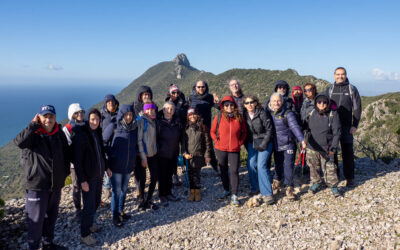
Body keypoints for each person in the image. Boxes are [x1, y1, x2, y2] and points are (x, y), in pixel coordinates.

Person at [14, 105, 70, 250]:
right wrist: (33, 124)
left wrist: (64, 174)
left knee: (51, 218)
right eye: (45, 116)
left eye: (51, 116)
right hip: (37, 186)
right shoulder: (34, 134)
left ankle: (48, 245)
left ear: (55, 118)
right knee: (36, 221)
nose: (48, 120)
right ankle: (32, 247)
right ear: (39, 117)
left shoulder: (59, 133)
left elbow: (66, 154)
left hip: (55, 185)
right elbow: (19, 142)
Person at [72, 108, 112, 246]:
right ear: (87, 120)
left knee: (95, 203)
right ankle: (85, 234)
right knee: (88, 207)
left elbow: (101, 153)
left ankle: (89, 225)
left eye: (97, 119)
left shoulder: (97, 133)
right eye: (92, 119)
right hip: (88, 178)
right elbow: (77, 161)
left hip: (99, 175)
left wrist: (106, 167)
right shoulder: (81, 135)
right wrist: (82, 180)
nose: (95, 122)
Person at [325, 67, 362, 187]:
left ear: (346, 75)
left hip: (346, 126)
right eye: (338, 74)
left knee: (348, 153)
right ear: (334, 75)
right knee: (332, 152)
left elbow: (357, 108)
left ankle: (349, 178)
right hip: (333, 127)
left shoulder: (351, 89)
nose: (340, 76)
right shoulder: (330, 89)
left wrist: (355, 125)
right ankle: (335, 175)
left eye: (342, 74)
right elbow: (324, 107)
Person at [103, 104, 137, 227]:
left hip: (128, 166)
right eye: (126, 114)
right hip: (115, 166)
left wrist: (134, 154)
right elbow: (103, 143)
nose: (128, 117)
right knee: (116, 192)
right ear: (121, 115)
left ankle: (121, 211)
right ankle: (115, 216)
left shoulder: (134, 128)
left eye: (130, 114)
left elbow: (135, 145)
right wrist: (113, 155)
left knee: (124, 190)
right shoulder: (113, 127)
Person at [267, 93, 306, 200]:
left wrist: (301, 139)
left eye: (278, 100)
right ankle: (277, 182)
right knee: (277, 164)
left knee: (288, 165)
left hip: (289, 144)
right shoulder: (268, 113)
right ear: (270, 102)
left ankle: (289, 188)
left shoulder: (288, 114)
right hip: (276, 145)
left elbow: (294, 127)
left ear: (282, 102)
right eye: (274, 101)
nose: (276, 103)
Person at [210, 96, 247, 207]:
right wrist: (217, 141)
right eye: (226, 105)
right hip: (221, 148)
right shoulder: (219, 117)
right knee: (223, 169)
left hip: (234, 149)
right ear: (223, 106)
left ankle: (234, 194)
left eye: (231, 105)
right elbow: (212, 131)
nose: (229, 107)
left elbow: (244, 132)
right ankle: (226, 190)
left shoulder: (239, 117)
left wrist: (240, 142)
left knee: (234, 171)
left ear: (234, 106)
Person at [305, 93, 341, 197]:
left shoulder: (333, 114)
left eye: (324, 102)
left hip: (327, 148)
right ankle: (316, 182)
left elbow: (337, 132)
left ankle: (333, 186)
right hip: (312, 147)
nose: (322, 104)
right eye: (319, 102)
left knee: (330, 168)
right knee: (313, 167)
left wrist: (333, 147)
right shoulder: (311, 113)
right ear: (316, 103)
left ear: (328, 103)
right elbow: (306, 127)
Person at [243, 95, 275, 205]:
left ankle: (267, 193)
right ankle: (255, 188)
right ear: (244, 105)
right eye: (247, 103)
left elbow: (269, 130)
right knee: (251, 164)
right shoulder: (244, 115)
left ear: (256, 103)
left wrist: (264, 144)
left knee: (261, 165)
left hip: (265, 141)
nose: (249, 105)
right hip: (252, 143)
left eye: (251, 102)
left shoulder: (262, 113)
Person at [188, 80, 220, 172]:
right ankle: (195, 169)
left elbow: (219, 108)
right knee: (196, 146)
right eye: (199, 87)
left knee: (209, 146)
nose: (201, 88)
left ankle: (215, 167)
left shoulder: (210, 97)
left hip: (206, 126)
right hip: (194, 127)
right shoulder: (191, 97)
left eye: (203, 87)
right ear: (195, 87)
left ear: (206, 87)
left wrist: (217, 102)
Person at [182, 108, 212, 202]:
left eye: (194, 114)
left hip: (199, 155)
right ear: (188, 117)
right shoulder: (185, 128)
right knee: (190, 174)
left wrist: (207, 155)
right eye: (190, 115)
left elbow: (207, 143)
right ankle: (192, 192)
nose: (192, 116)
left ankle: (197, 192)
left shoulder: (202, 127)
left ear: (197, 115)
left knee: (197, 174)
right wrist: (184, 153)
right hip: (189, 156)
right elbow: (182, 144)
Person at [157, 101, 182, 206]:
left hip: (173, 152)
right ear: (163, 110)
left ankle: (169, 192)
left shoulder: (177, 122)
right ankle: (162, 195)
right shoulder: (158, 123)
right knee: (162, 175)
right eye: (167, 108)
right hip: (162, 153)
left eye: (171, 109)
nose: (169, 111)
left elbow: (180, 137)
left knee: (170, 174)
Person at [63, 103, 85, 220]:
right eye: (77, 113)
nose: (80, 114)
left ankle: (87, 205)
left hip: (86, 162)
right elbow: (67, 147)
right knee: (77, 186)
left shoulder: (85, 126)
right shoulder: (67, 129)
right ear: (72, 115)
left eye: (81, 112)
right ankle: (78, 209)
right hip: (74, 164)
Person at [164, 84, 188, 186]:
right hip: (171, 130)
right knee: (172, 152)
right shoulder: (167, 103)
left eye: (177, 92)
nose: (176, 94)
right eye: (173, 92)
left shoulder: (184, 102)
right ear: (170, 93)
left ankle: (185, 172)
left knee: (183, 151)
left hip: (182, 130)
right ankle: (173, 175)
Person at [137, 102, 159, 210]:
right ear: (145, 110)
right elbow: (139, 140)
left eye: (152, 109)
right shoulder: (141, 121)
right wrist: (143, 156)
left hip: (153, 153)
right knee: (142, 178)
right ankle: (142, 199)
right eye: (148, 109)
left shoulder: (154, 120)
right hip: (144, 154)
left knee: (154, 177)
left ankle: (149, 199)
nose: (150, 111)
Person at [100, 94, 119, 201]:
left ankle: (116, 188)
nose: (111, 104)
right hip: (106, 145)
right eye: (108, 102)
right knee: (107, 169)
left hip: (116, 146)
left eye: (112, 102)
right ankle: (107, 189)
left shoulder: (119, 114)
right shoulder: (102, 116)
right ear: (105, 104)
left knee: (115, 168)